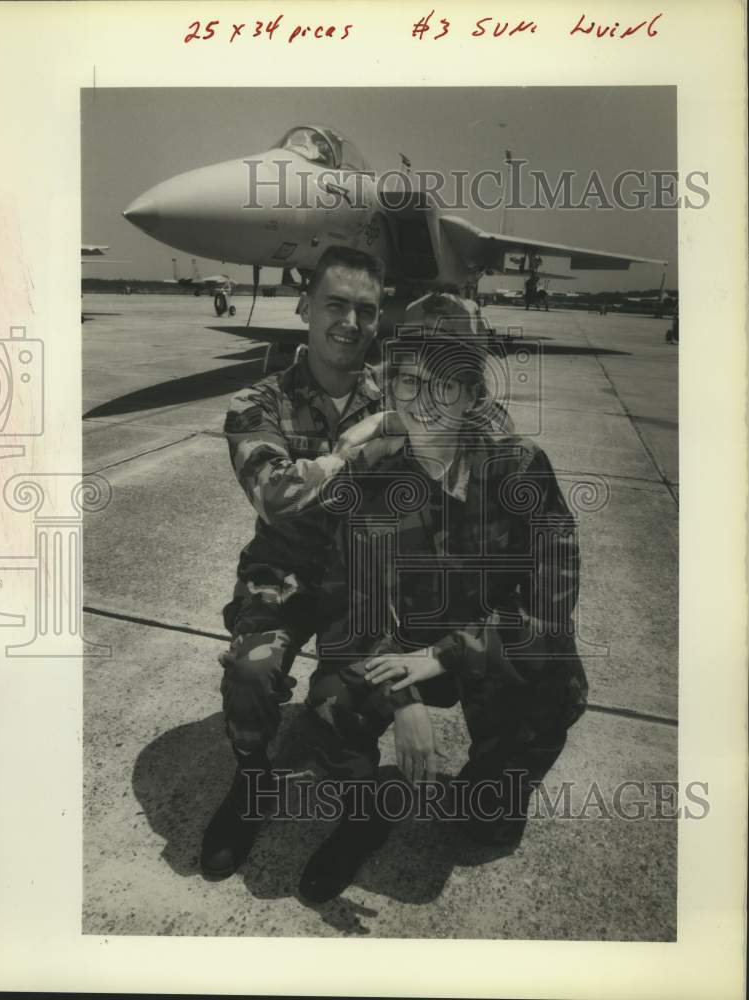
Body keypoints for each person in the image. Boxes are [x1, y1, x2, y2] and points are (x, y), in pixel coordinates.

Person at [299, 316, 588, 902]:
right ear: (391, 390)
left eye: (444, 384)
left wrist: (445, 655)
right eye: (407, 381)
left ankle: (482, 792)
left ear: (473, 396)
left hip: (481, 644)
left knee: (550, 678)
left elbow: (550, 603)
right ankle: (362, 812)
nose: (423, 399)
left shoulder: (518, 466)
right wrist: (404, 699)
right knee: (334, 698)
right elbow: (353, 606)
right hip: (401, 646)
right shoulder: (376, 478)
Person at [200, 246, 404, 879]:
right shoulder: (258, 401)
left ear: (377, 320)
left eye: (365, 310)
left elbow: (472, 435)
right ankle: (253, 781)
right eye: (335, 304)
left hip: (365, 580)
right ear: (305, 307)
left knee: (345, 698)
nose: (350, 322)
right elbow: (276, 494)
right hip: (282, 572)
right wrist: (356, 454)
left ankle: (363, 799)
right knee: (251, 673)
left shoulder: (401, 396)